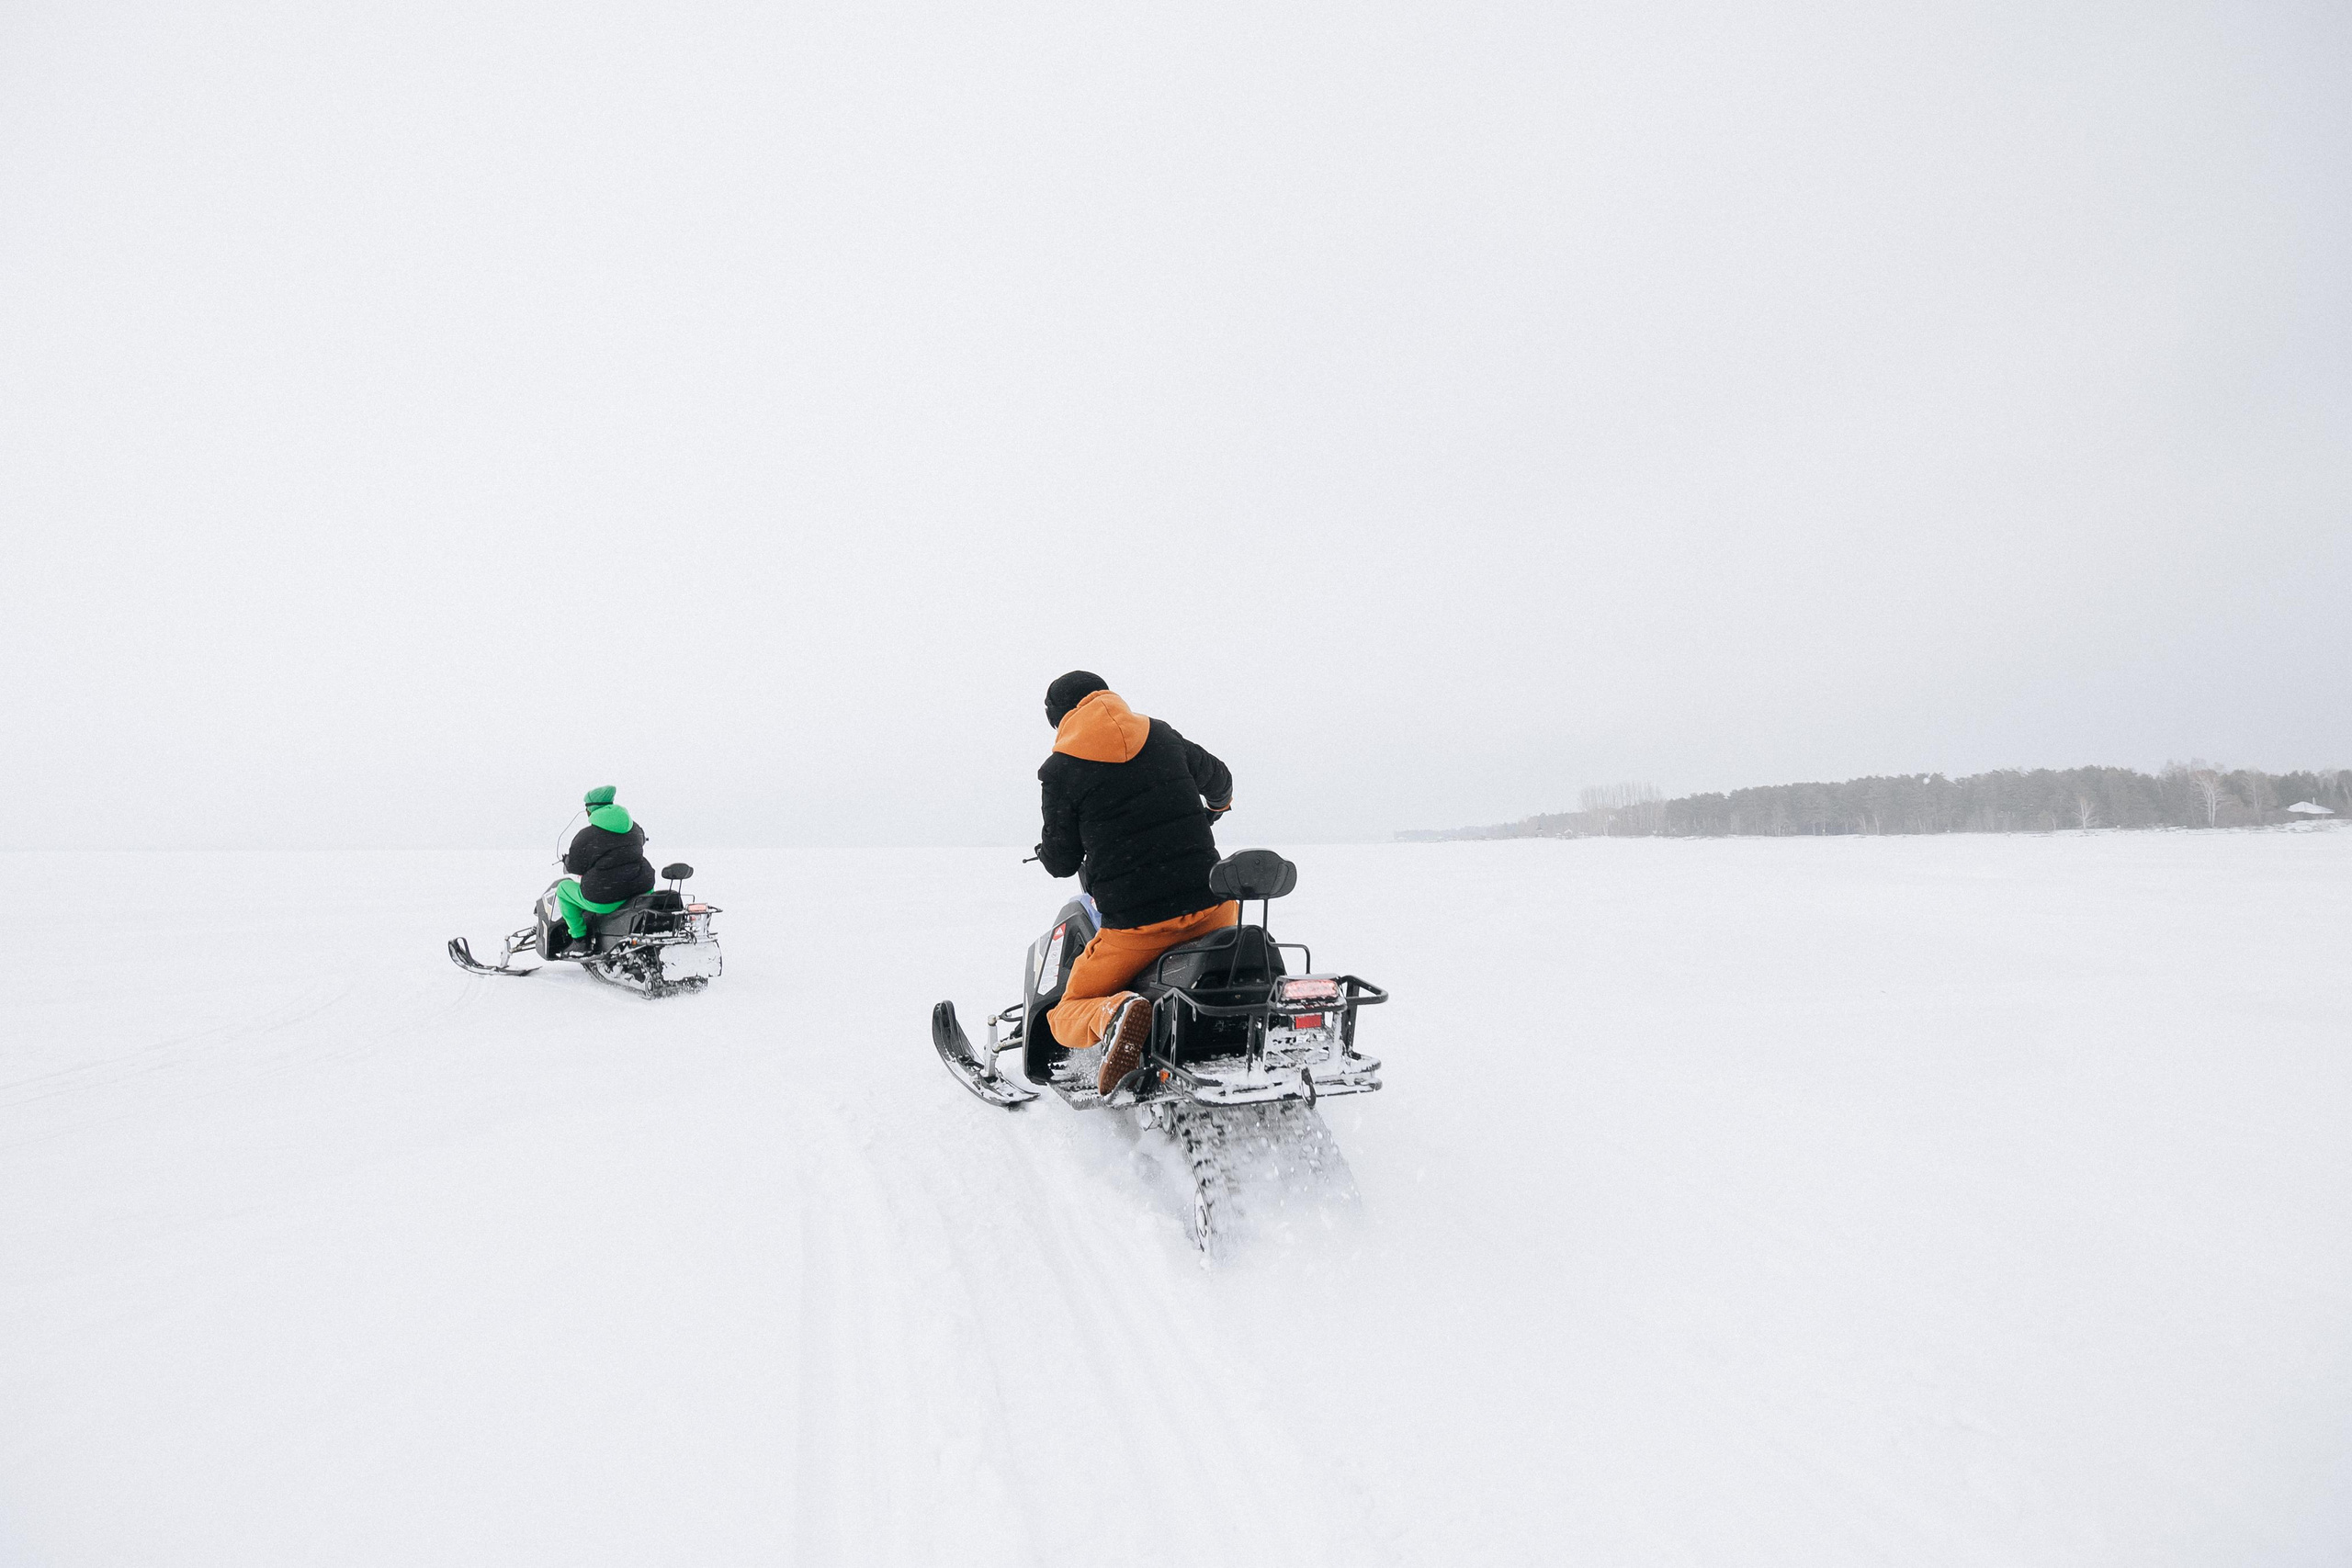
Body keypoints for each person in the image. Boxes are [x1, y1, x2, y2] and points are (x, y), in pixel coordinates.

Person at [1035, 671, 1237, 1093]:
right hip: (1214, 910)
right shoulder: (1161, 735)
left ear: (1059, 719)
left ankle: (1117, 1012)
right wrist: (1214, 811)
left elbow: (1061, 861)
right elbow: (1221, 782)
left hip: (1137, 928)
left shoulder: (1060, 768)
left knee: (1065, 1011)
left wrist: (1045, 850)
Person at [556, 785, 656, 955]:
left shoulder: (587, 835)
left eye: (586, 808)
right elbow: (639, 842)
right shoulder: (633, 827)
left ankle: (579, 940)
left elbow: (575, 867)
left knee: (563, 889)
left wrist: (567, 860)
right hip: (640, 888)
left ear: (591, 809)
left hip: (606, 895)